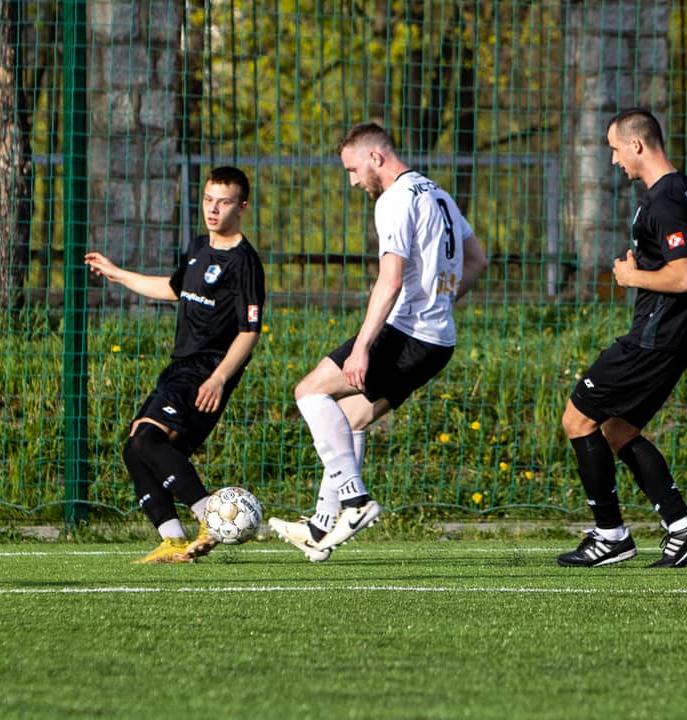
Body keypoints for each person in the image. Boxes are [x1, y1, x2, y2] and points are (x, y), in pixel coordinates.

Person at [268, 122, 488, 562]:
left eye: (353, 169)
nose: (353, 181)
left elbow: (390, 280)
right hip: (438, 341)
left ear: (375, 157)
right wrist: (440, 302)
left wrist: (361, 347)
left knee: (309, 391)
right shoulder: (437, 193)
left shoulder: (395, 199)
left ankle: (355, 501)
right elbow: (479, 260)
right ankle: (320, 527)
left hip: (407, 333)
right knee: (350, 418)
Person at [557, 108, 687, 568]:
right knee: (618, 429)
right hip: (673, 336)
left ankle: (610, 535)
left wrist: (632, 277)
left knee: (578, 418)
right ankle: (682, 524)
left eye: (615, 149)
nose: (614, 160)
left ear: (636, 145)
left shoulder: (665, 200)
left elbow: (685, 276)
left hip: (653, 339)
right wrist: (686, 318)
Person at [85, 166, 265, 564]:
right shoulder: (199, 246)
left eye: (224, 202)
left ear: (242, 207)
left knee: (145, 440)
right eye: (208, 200)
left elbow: (249, 331)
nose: (213, 209)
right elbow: (173, 289)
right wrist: (117, 274)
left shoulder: (245, 262)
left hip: (207, 369)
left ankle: (208, 516)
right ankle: (172, 540)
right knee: (136, 448)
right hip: (180, 366)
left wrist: (219, 378)